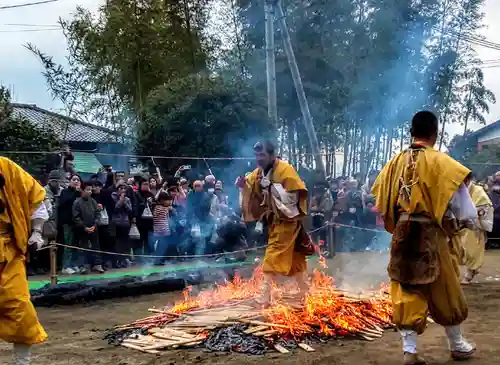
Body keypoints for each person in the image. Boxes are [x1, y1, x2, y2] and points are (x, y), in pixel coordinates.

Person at [372, 111, 477, 364]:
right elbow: (464, 208)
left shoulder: (393, 163)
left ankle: (409, 351)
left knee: (406, 285)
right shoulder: (442, 163)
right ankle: (458, 344)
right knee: (445, 285)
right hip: (431, 233)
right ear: (435, 131)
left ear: (412, 131)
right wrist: (462, 222)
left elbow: (379, 199)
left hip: (402, 233)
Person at [237, 141, 310, 306]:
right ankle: (305, 289)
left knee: (273, 254)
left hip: (288, 220)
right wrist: (243, 186)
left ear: (272, 155)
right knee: (296, 258)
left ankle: (265, 294)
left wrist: (272, 188)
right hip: (274, 221)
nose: (258, 159)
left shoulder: (286, 170)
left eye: (262, 155)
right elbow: (249, 186)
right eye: (256, 155)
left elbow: (294, 198)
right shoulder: (258, 173)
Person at [0, 157, 49, 365]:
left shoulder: (7, 168)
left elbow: (37, 200)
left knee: (21, 309)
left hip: (9, 252)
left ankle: (22, 363)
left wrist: (37, 232)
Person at [459, 181, 493, 284]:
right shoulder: (459, 190)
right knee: (460, 248)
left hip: (476, 225)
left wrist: (476, 218)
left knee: (472, 250)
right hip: (462, 224)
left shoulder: (478, 191)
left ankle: (470, 273)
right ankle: (472, 269)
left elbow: (484, 207)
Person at [72, 181, 104, 274]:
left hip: (93, 227)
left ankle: (97, 265)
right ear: (82, 190)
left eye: (91, 190)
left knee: (96, 246)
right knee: (83, 247)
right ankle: (82, 266)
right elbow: (76, 217)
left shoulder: (93, 201)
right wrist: (84, 227)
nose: (90, 192)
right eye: (87, 189)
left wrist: (95, 225)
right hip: (82, 229)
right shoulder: (77, 202)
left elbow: (98, 214)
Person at [58, 174, 82, 274]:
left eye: (78, 180)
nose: (76, 181)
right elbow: (64, 203)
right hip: (67, 222)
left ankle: (74, 264)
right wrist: (75, 193)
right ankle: (65, 266)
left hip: (78, 222)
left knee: (76, 244)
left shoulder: (81, 193)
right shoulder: (65, 192)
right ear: (70, 181)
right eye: (74, 179)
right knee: (68, 243)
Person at [111, 182, 133, 267]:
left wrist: (124, 201)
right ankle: (117, 260)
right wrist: (121, 199)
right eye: (121, 188)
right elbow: (116, 207)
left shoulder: (127, 199)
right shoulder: (113, 197)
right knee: (117, 242)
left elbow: (129, 210)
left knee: (125, 242)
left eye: (124, 189)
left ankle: (125, 259)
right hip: (116, 222)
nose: (123, 190)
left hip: (125, 222)